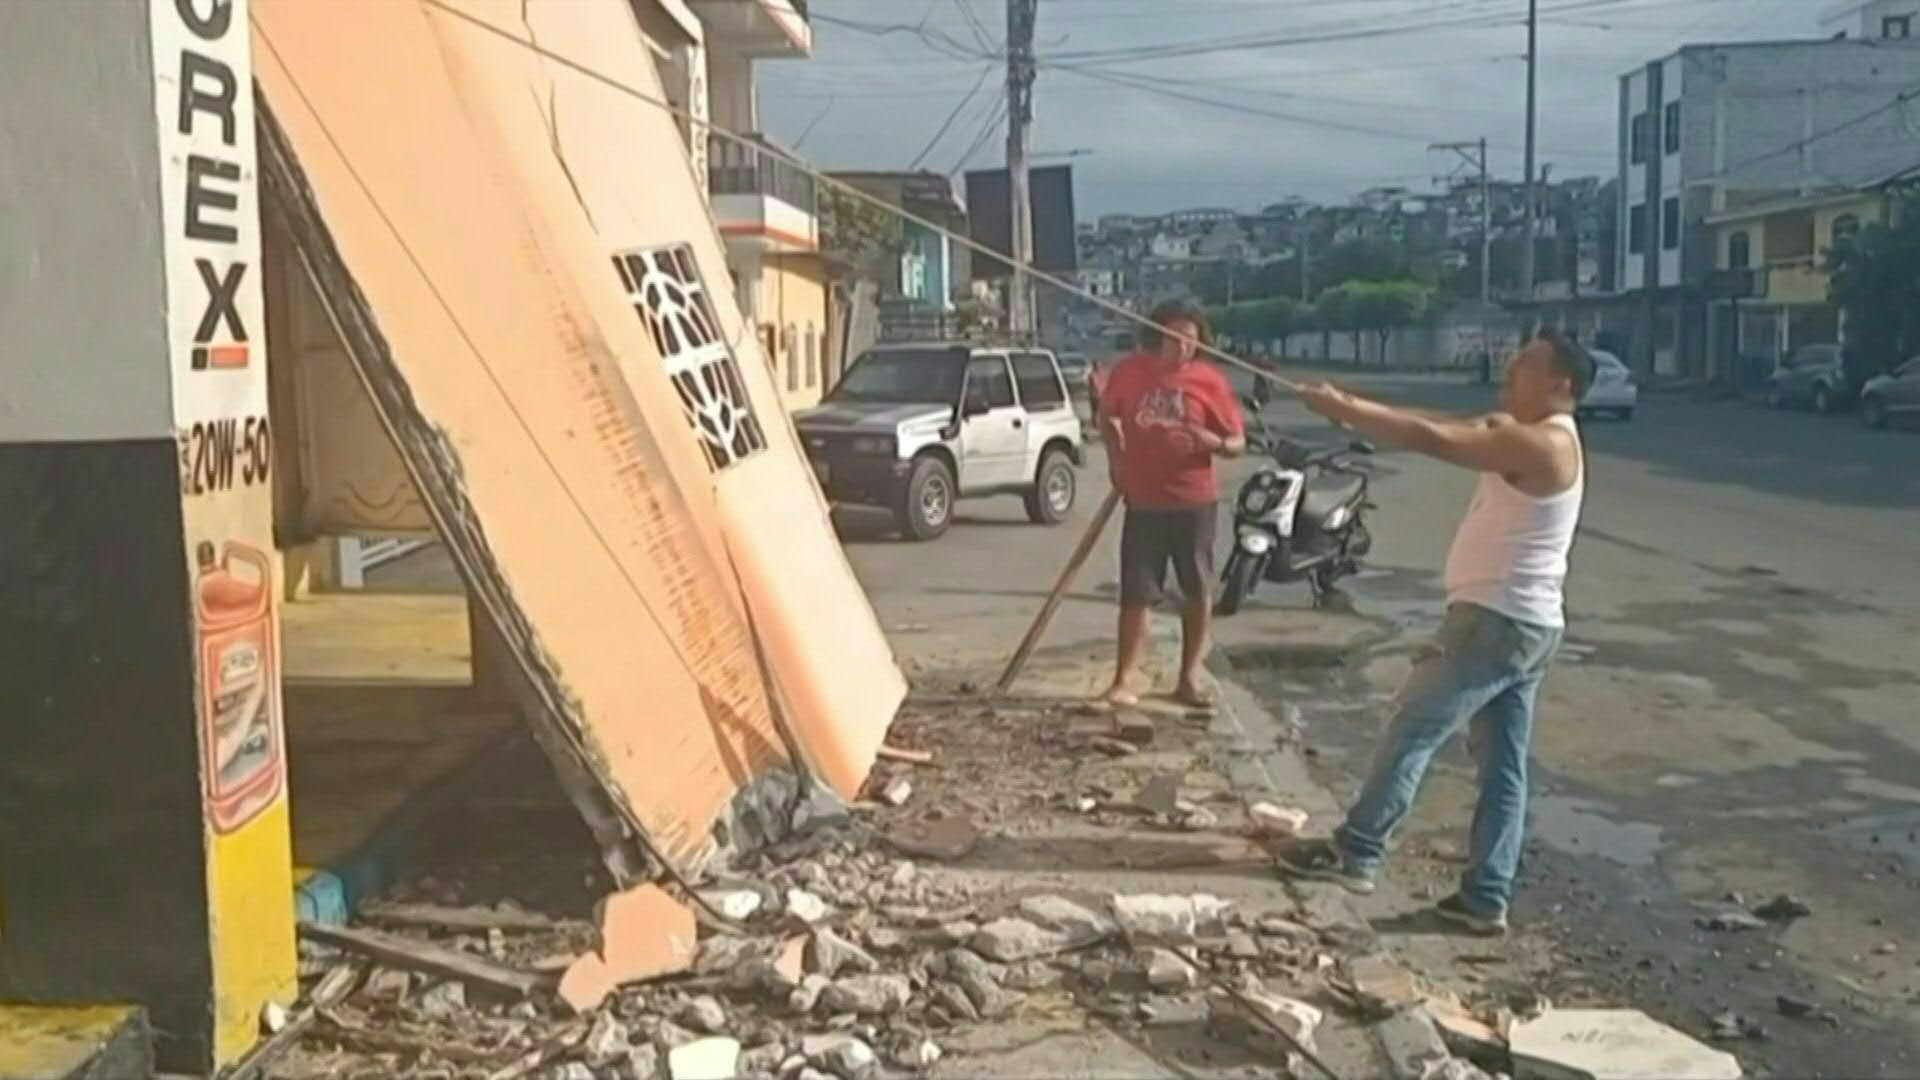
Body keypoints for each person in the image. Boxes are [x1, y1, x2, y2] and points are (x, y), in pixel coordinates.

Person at [1278, 330, 1594, 936]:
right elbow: (1437, 421)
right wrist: (1353, 404)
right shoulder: (1526, 437)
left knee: (1413, 728)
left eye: (1526, 365)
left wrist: (1344, 409)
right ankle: (1485, 896)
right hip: (1522, 624)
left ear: (1562, 385)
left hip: (1495, 621)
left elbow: (1430, 439)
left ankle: (1357, 851)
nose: (1509, 370)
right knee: (1502, 767)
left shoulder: (1544, 445)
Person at [1097, 301, 1247, 710]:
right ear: (1157, 334)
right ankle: (1125, 678)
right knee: (1137, 592)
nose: (1183, 347)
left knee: (1196, 589)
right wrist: (1116, 460)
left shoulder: (1209, 381)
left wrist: (1212, 442)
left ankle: (1189, 677)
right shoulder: (1131, 372)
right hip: (1143, 501)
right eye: (1176, 337)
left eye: (1192, 341)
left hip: (1194, 501)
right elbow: (1106, 416)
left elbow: (1237, 442)